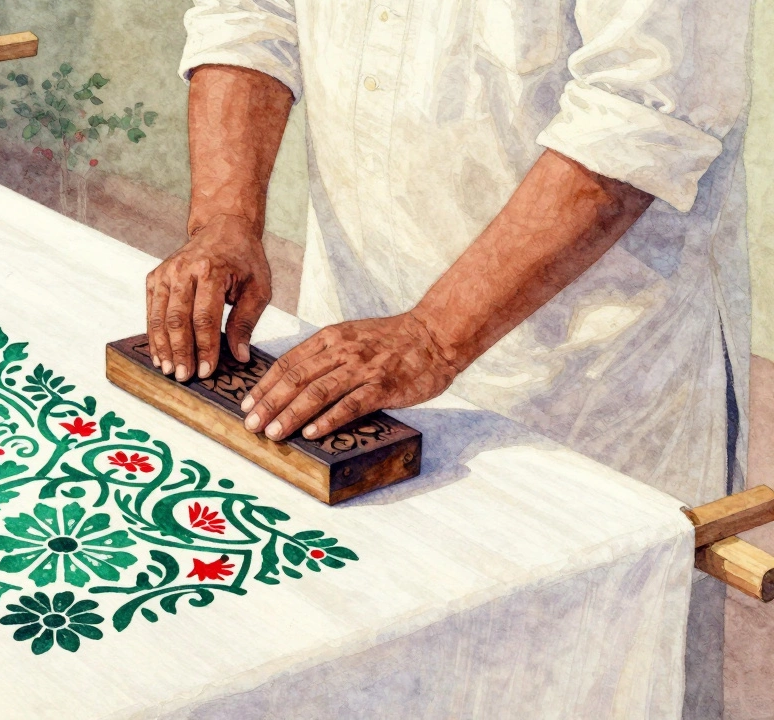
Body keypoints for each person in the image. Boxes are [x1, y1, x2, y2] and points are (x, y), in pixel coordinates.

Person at [147, 1, 752, 717]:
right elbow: (250, 15)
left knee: (576, 674)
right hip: (354, 339)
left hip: (580, 385)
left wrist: (435, 335)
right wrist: (223, 219)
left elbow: (643, 112)